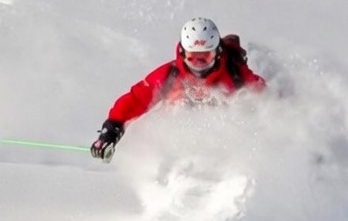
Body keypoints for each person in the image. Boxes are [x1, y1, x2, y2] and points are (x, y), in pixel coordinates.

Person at [89, 17, 266, 161]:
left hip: (222, 141)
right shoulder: (171, 74)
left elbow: (266, 100)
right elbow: (137, 98)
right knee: (178, 101)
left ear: (217, 53)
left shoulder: (235, 76)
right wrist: (111, 130)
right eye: (192, 57)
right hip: (179, 141)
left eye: (206, 57)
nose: (198, 64)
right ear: (182, 52)